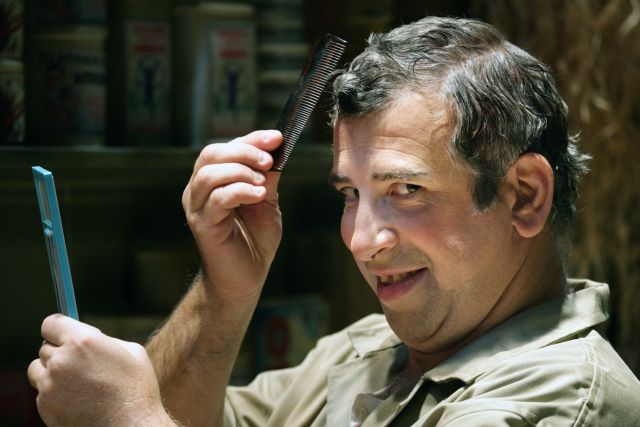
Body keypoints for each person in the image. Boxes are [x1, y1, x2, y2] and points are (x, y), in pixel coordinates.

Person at [27, 16, 640, 427]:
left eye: (407, 190)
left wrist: (127, 418)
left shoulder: (560, 398)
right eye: (350, 194)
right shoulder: (368, 350)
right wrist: (225, 294)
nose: (362, 241)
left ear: (524, 196)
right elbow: (188, 419)